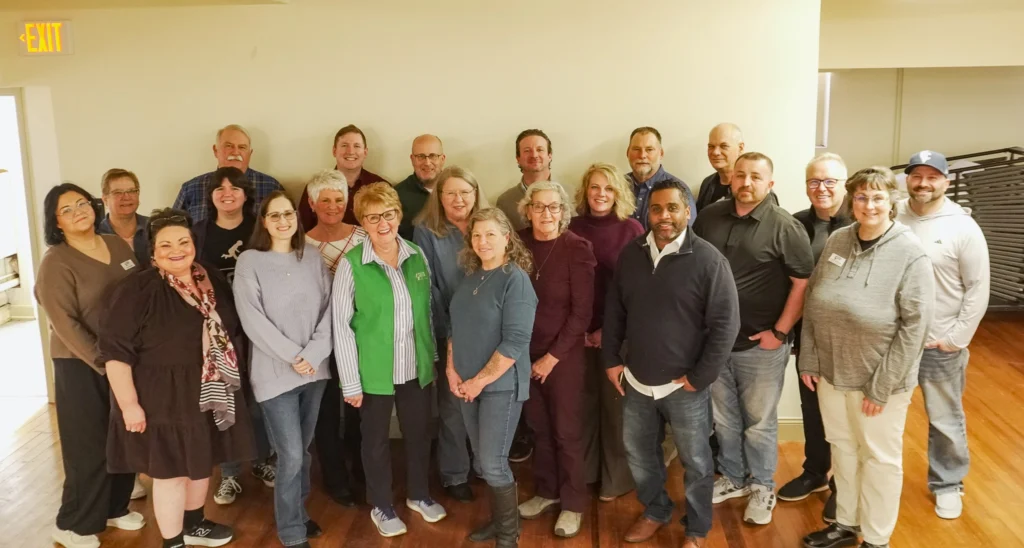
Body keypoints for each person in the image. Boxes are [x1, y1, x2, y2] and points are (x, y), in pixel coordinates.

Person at [101, 208, 257, 548]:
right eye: (166, 244)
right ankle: (172, 542)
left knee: (202, 466)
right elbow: (115, 353)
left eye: (184, 242)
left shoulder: (210, 278)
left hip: (209, 389)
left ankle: (194, 523)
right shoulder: (137, 290)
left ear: (194, 244)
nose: (177, 250)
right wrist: (129, 406)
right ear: (152, 252)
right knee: (171, 474)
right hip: (160, 398)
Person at [799, 167, 935, 548]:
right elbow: (814, 300)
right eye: (861, 197)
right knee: (842, 448)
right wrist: (809, 359)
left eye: (877, 197)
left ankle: (876, 539)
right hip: (830, 372)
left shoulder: (911, 254)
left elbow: (915, 328)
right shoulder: (839, 240)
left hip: (879, 381)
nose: (869, 205)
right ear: (851, 201)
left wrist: (881, 386)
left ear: (892, 201)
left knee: (879, 459)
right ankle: (846, 523)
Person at [604, 179, 741, 548]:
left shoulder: (710, 260)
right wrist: (611, 359)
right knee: (640, 455)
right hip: (636, 380)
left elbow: (726, 326)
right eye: (657, 209)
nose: (664, 216)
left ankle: (696, 530)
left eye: (672, 208)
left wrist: (700, 378)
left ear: (687, 212)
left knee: (696, 463)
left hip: (684, 386)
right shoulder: (632, 253)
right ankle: (655, 510)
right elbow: (615, 310)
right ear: (648, 212)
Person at [692, 152, 814, 526]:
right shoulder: (710, 216)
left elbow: (802, 283)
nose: (747, 183)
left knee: (759, 422)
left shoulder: (784, 226)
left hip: (761, 346)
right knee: (725, 419)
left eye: (756, 177)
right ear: (731, 178)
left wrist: (779, 332)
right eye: (740, 175)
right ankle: (733, 477)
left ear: (770, 184)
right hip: (714, 343)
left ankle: (762, 486)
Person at [332, 183, 446, 537]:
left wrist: (434, 359)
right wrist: (350, 381)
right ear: (362, 221)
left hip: (416, 367)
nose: (383, 223)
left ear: (399, 215)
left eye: (389, 214)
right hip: (373, 371)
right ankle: (381, 504)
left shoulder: (415, 254)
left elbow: (426, 312)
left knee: (418, 434)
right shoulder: (351, 264)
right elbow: (342, 326)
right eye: (373, 216)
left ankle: (418, 495)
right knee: (376, 440)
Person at [34, 183, 144, 548]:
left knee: (124, 439)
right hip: (82, 365)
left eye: (82, 202)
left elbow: (139, 293)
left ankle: (115, 507)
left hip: (125, 360)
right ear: (56, 222)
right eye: (67, 209)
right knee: (89, 446)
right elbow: (64, 324)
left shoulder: (115, 244)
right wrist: (106, 362)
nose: (78, 210)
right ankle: (73, 524)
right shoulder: (56, 262)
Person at [232, 192, 334, 548]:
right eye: (274, 215)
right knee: (290, 454)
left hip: (315, 371)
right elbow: (252, 321)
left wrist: (315, 353)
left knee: (303, 451)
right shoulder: (250, 261)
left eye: (287, 213)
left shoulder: (313, 258)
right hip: (275, 373)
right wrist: (294, 356)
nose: (282, 220)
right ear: (263, 221)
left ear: (296, 217)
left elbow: (330, 310)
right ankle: (291, 531)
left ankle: (301, 515)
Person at [896, 150, 990, 520]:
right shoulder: (892, 215)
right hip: (895, 341)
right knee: (883, 415)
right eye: (916, 176)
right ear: (907, 179)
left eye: (932, 177)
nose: (923, 183)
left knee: (944, 418)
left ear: (946, 181)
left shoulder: (962, 226)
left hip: (939, 344)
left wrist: (956, 339)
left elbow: (978, 288)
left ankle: (948, 483)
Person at [449, 207, 538, 548]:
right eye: (476, 235)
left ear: (506, 238)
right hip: (467, 384)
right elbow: (454, 328)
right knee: (483, 462)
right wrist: (452, 370)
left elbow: (516, 341)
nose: (483, 241)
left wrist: (478, 381)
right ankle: (501, 521)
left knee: (493, 462)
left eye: (490, 234)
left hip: (500, 386)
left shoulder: (515, 278)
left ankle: (507, 536)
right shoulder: (470, 278)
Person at [191, 166, 277, 504]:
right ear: (210, 195)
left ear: (246, 193)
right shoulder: (197, 233)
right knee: (223, 399)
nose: (227, 192)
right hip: (215, 333)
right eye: (219, 187)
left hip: (258, 328)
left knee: (258, 399)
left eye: (234, 186)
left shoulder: (261, 230)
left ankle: (261, 461)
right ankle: (228, 474)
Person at [514, 181, 596, 538]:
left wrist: (551, 358)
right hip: (520, 352)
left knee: (566, 431)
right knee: (539, 428)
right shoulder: (516, 242)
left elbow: (582, 314)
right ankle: (546, 491)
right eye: (539, 206)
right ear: (527, 209)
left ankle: (573, 503)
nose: (546, 214)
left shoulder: (577, 249)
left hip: (562, 357)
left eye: (553, 207)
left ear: (563, 212)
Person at [778, 153, 851, 522]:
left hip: (847, 341)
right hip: (807, 334)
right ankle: (815, 472)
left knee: (843, 416)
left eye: (829, 182)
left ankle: (844, 487)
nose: (821, 188)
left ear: (844, 184)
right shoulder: (796, 223)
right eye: (813, 182)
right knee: (812, 407)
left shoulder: (861, 222)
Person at [568, 163, 645, 502]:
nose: (601, 194)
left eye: (608, 188)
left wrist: (606, 331)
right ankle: (584, 475)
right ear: (585, 191)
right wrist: (579, 331)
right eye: (595, 187)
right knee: (581, 408)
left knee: (616, 411)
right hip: (574, 334)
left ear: (619, 193)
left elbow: (638, 288)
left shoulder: (632, 230)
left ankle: (616, 480)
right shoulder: (569, 226)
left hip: (617, 334)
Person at [413, 165, 486, 503]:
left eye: (465, 192)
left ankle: (487, 467)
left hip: (490, 330)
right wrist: (450, 331)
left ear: (475, 195)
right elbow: (428, 285)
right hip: (448, 329)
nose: (458, 199)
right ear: (439, 197)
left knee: (488, 402)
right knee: (454, 405)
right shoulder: (426, 231)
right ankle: (455, 474)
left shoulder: (488, 225)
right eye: (451, 193)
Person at [303, 168, 367, 507]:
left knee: (359, 410)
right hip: (318, 342)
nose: (332, 205)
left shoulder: (363, 237)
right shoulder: (301, 244)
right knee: (325, 413)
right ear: (312, 203)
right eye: (325, 199)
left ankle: (363, 470)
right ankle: (335, 479)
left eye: (339, 199)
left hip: (358, 340)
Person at [173, 124, 284, 221]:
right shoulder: (191, 189)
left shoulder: (271, 187)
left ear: (250, 153)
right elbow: (172, 231)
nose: (236, 152)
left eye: (242, 147)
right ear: (216, 150)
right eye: (229, 146)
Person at [298, 125, 388, 229]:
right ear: (334, 151)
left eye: (357, 146)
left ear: (365, 152)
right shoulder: (315, 187)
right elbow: (302, 231)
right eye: (344, 145)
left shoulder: (382, 187)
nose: (350, 151)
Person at [625, 126, 696, 230]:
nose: (642, 155)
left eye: (649, 149)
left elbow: (685, 234)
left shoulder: (678, 189)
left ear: (661, 153)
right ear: (627, 153)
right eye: (636, 149)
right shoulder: (615, 186)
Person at [496, 129, 553, 233]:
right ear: (518, 158)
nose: (534, 155)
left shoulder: (571, 194)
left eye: (540, 149)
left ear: (550, 156)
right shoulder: (505, 202)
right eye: (527, 150)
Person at [396, 134, 446, 240]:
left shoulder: (458, 191)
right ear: (412, 159)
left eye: (433, 156)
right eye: (421, 156)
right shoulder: (396, 196)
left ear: (442, 159)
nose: (427, 163)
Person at [98, 168, 150, 266]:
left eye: (131, 191)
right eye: (118, 192)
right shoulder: (96, 235)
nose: (126, 197)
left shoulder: (155, 227)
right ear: (105, 199)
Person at [695, 123, 745, 212]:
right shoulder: (707, 183)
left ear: (740, 148)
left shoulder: (751, 188)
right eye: (711, 146)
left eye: (724, 146)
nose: (715, 152)